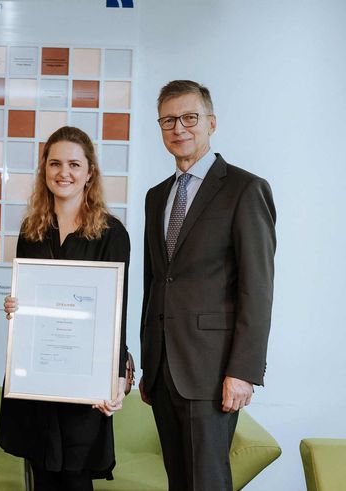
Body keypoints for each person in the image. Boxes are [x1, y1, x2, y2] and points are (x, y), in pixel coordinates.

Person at [140, 80, 276, 491]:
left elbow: (258, 287)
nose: (178, 127)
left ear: (211, 123)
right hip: (163, 370)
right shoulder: (155, 196)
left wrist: (243, 370)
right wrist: (149, 361)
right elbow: (154, 282)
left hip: (213, 371)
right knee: (179, 482)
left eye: (189, 117)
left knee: (208, 482)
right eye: (168, 120)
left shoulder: (244, 189)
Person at [0, 126, 130, 491]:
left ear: (90, 172)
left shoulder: (112, 234)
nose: (64, 172)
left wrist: (117, 377)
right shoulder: (31, 230)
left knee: (75, 477)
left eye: (74, 164)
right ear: (44, 170)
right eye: (55, 163)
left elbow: (117, 313)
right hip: (38, 381)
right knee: (41, 475)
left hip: (83, 383)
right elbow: (28, 302)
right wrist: (16, 308)